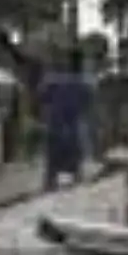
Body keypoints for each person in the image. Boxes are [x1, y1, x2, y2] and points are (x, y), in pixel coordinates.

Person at [38, 48, 93, 188]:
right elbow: (87, 105)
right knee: (74, 158)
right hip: (72, 126)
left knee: (54, 161)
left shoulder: (53, 81)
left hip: (57, 125)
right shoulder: (84, 83)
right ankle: (75, 179)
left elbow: (42, 98)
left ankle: (51, 182)